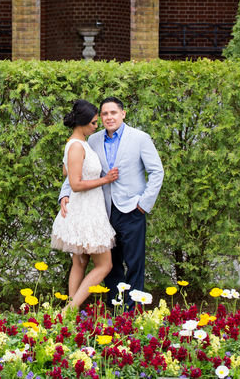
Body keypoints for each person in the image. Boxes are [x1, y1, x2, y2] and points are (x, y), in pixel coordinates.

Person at [59, 96, 164, 308]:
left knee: (134, 263)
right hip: (102, 211)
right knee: (111, 264)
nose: (108, 117)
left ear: (123, 114)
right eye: (104, 114)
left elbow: (156, 171)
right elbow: (77, 170)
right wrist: (65, 194)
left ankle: (133, 312)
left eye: (113, 113)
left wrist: (143, 204)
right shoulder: (93, 140)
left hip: (132, 210)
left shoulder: (140, 138)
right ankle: (115, 308)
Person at [51, 99, 118, 311]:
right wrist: (105, 180)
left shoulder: (77, 144)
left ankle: (70, 313)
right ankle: (68, 311)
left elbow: (66, 171)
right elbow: (76, 184)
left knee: (80, 263)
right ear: (82, 122)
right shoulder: (77, 145)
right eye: (94, 122)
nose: (97, 126)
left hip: (86, 208)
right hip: (86, 210)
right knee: (105, 265)